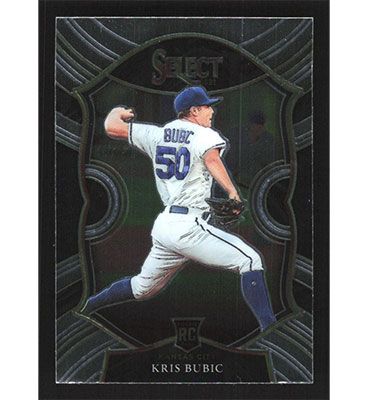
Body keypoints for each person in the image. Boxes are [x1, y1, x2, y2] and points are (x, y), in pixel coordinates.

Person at [79, 86, 276, 332]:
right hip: (189, 227)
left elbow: (111, 127)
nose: (211, 111)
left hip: (165, 227)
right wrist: (233, 192)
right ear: (194, 111)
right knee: (250, 260)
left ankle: (87, 307)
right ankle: (270, 330)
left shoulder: (156, 134)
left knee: (142, 288)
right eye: (207, 106)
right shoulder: (204, 134)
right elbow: (212, 159)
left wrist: (118, 112)